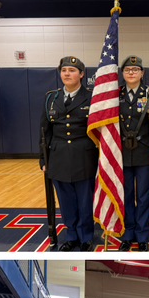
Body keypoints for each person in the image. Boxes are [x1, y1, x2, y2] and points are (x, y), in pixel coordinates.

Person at [40, 56, 97, 251]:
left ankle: (86, 236)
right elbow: (44, 131)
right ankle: (71, 235)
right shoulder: (51, 98)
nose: (67, 74)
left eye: (72, 70)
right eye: (64, 70)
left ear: (81, 74)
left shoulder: (92, 97)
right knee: (66, 202)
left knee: (84, 200)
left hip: (85, 156)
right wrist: (43, 159)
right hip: (58, 157)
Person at [116, 56, 149, 252]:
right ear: (122, 73)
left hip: (144, 152)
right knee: (125, 196)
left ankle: (142, 235)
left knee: (143, 196)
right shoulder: (115, 94)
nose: (131, 72)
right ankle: (127, 233)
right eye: (127, 69)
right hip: (121, 152)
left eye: (135, 69)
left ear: (142, 72)